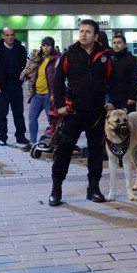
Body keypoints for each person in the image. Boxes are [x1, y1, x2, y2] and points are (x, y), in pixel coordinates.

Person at [48, 19, 114, 207]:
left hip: (97, 114)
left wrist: (113, 102)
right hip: (73, 112)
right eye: (81, 31)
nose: (83, 34)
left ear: (96, 35)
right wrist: (60, 105)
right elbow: (58, 81)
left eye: (88, 31)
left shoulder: (105, 56)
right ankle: (56, 189)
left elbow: (113, 80)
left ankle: (93, 188)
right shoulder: (70, 54)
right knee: (63, 151)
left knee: (95, 153)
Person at [0, 27, 29, 146]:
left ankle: (20, 136)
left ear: (14, 36)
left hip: (16, 85)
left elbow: (26, 66)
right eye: (7, 35)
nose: (10, 37)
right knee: (2, 113)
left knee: (18, 113)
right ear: (3, 36)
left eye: (12, 35)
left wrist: (24, 78)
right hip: (2, 86)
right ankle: (3, 137)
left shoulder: (20, 49)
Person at [20, 36, 60, 145]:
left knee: (52, 120)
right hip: (37, 94)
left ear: (52, 46)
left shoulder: (57, 59)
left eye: (48, 45)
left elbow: (58, 78)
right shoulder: (39, 58)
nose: (46, 48)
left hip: (48, 95)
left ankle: (53, 142)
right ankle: (33, 142)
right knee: (32, 118)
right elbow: (33, 73)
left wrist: (55, 93)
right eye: (44, 45)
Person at [109, 33, 137, 113]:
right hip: (113, 98)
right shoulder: (110, 59)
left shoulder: (132, 60)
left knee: (127, 122)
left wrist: (132, 97)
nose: (116, 45)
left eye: (119, 43)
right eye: (114, 43)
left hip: (126, 99)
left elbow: (135, 80)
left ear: (125, 45)